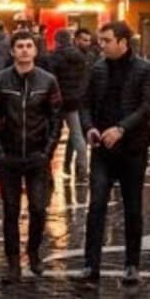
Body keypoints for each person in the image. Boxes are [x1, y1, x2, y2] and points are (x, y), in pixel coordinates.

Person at [79, 21, 150, 284]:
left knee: (132, 207)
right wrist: (89, 127)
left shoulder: (145, 69)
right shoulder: (97, 68)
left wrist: (122, 128)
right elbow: (84, 103)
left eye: (106, 40)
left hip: (132, 148)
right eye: (100, 40)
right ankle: (91, 265)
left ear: (123, 43)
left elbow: (148, 106)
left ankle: (132, 265)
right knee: (96, 205)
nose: (101, 45)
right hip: (102, 148)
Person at [0, 29, 62, 283]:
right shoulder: (0, 81)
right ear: (12, 51)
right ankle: (13, 262)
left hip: (38, 156)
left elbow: (56, 119)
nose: (25, 50)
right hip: (10, 156)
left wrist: (47, 151)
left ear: (35, 50)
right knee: (11, 210)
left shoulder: (48, 81)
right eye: (20, 46)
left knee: (38, 208)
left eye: (28, 46)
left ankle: (34, 253)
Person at [43, 28, 93, 187]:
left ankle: (47, 171)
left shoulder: (53, 58)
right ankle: (83, 171)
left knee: (52, 136)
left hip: (57, 102)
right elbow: (85, 79)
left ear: (57, 41)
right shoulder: (80, 57)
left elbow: (50, 81)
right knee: (78, 136)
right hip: (74, 101)